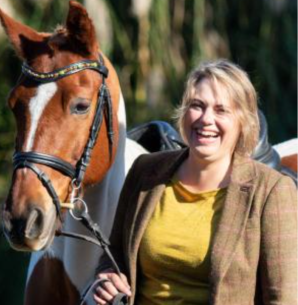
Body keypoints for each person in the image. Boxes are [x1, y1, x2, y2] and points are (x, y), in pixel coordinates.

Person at [93, 59, 297, 305]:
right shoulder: (145, 172)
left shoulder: (271, 190)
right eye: (197, 105)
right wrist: (107, 276)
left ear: (243, 122)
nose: (206, 119)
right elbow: (114, 254)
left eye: (221, 110)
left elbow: (283, 297)